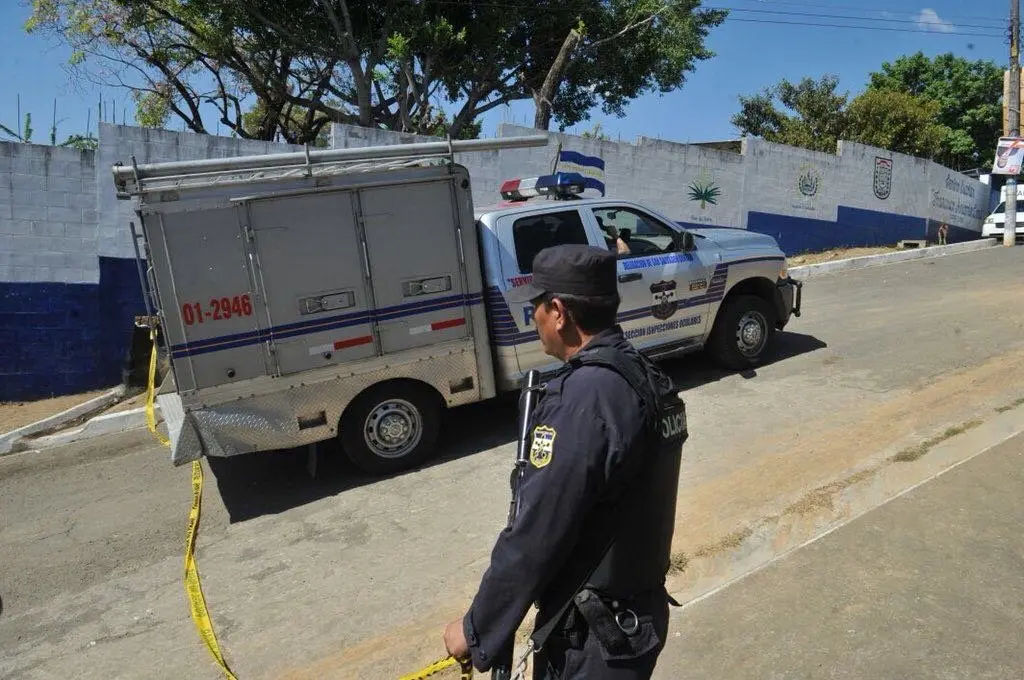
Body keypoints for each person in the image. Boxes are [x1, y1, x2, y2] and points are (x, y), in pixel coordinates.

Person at [443, 244, 688, 679]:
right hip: (634, 618)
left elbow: (537, 531)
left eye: (536, 305)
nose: (532, 317)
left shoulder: (584, 400)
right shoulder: (638, 374)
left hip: (594, 638)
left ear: (559, 312)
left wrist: (476, 628)